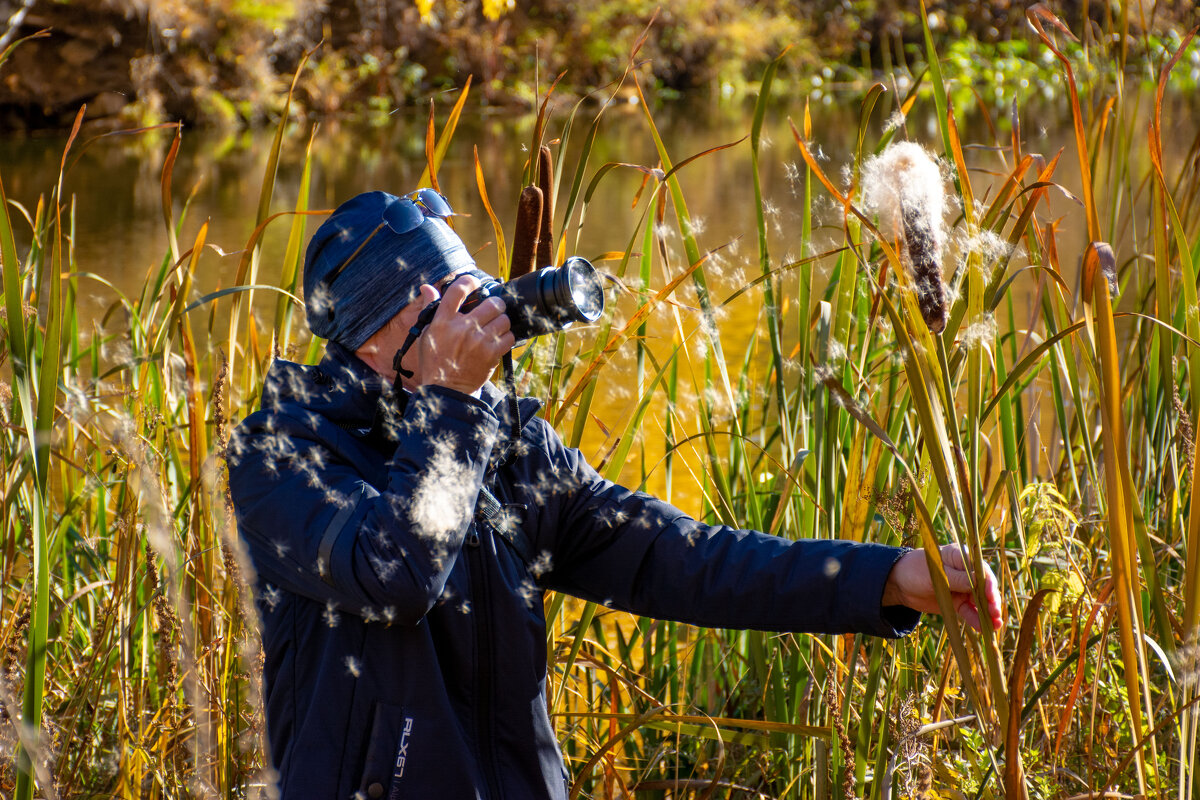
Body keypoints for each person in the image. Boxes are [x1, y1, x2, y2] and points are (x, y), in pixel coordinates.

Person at [227, 189, 1003, 800]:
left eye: (480, 297)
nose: (482, 327)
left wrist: (889, 576)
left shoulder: (507, 447)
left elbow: (685, 559)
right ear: (372, 334)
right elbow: (395, 573)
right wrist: (453, 405)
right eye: (452, 308)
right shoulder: (278, 459)